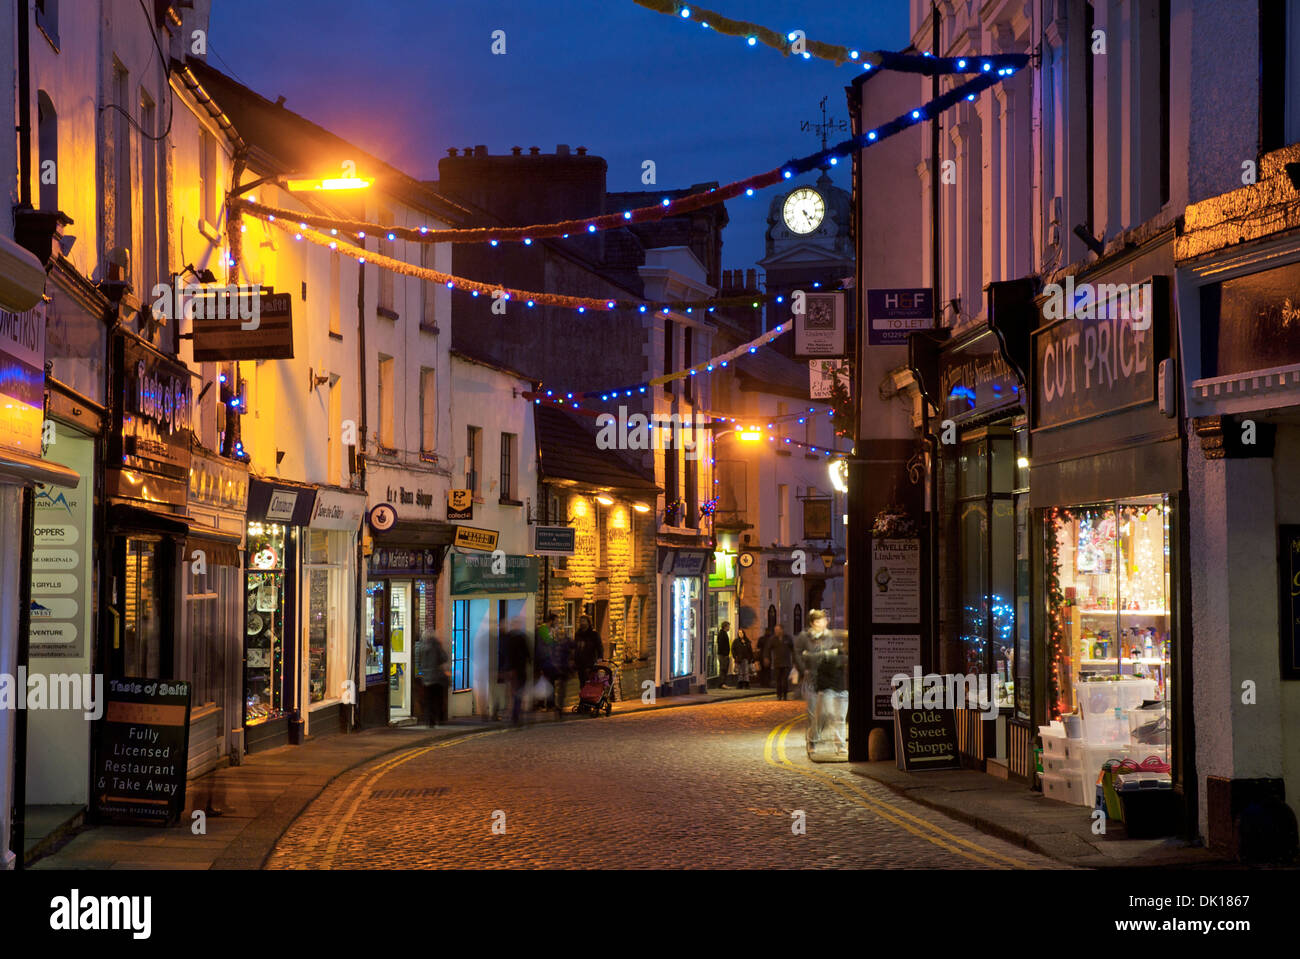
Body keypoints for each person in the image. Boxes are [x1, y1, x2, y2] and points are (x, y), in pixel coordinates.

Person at [794, 610, 847, 758]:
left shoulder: (830, 636)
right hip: (811, 677)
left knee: (824, 713)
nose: (823, 623)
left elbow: (839, 653)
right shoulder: (804, 637)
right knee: (812, 712)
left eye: (824, 620)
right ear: (812, 623)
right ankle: (812, 741)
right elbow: (797, 653)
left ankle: (819, 738)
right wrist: (803, 669)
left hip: (826, 679)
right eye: (818, 621)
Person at [415, 633, 450, 726]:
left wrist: (420, 672)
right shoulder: (436, 646)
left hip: (425, 678)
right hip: (437, 678)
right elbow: (444, 658)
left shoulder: (419, 647)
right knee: (437, 699)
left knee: (428, 700)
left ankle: (429, 721)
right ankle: (439, 719)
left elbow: (417, 663)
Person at [502, 619, 531, 725]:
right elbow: (527, 654)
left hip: (510, 669)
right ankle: (515, 714)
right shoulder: (520, 638)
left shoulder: (507, 638)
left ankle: (513, 713)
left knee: (512, 692)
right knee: (518, 692)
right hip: (518, 669)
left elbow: (503, 653)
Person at [535, 612, 560, 710]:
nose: (557, 623)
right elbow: (549, 642)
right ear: (551, 620)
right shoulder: (543, 629)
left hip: (549, 659)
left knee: (548, 682)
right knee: (548, 682)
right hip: (544, 659)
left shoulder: (549, 630)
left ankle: (545, 703)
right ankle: (547, 704)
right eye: (556, 621)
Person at [573, 615, 603, 687]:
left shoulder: (594, 634)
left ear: (588, 622)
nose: (582, 623)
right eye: (580, 621)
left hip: (590, 662)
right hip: (580, 663)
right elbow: (575, 647)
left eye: (583, 621)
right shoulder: (578, 634)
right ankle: (583, 697)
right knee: (582, 682)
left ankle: (589, 696)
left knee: (589, 681)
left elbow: (599, 646)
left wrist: (600, 657)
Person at [768, 625, 795, 701]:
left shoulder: (788, 638)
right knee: (778, 680)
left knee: (785, 680)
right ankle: (779, 695)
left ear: (782, 630)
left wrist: (794, 660)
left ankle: (785, 695)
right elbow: (768, 649)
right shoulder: (773, 639)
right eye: (775, 630)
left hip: (786, 663)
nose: (776, 631)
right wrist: (766, 658)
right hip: (777, 663)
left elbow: (793, 650)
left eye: (777, 630)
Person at [715, 622, 732, 688]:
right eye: (728, 626)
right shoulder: (722, 634)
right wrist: (725, 654)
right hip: (723, 655)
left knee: (723, 669)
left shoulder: (723, 633)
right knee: (723, 669)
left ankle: (722, 683)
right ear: (725, 626)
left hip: (723, 654)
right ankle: (722, 684)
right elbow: (722, 645)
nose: (729, 628)